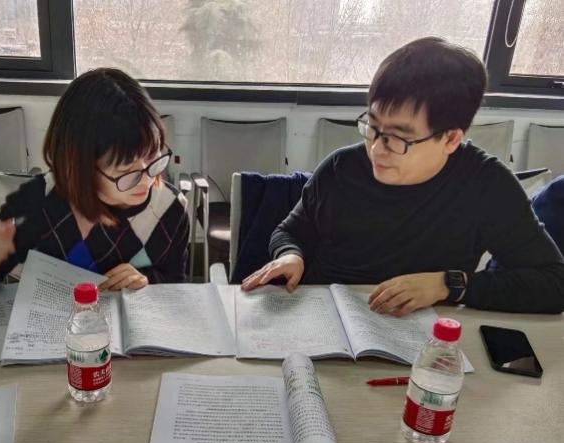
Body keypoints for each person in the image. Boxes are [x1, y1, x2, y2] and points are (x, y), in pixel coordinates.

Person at [242, 37, 564, 315]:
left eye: (398, 138)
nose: (376, 149)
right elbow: (290, 231)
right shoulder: (341, 169)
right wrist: (291, 256)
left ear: (451, 139)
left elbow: (553, 283)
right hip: (328, 316)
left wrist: (448, 285)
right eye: (372, 126)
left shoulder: (486, 185)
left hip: (421, 335)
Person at [0, 68, 189, 289]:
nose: (146, 180)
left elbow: (174, 281)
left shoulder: (170, 208)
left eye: (152, 156)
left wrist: (146, 279)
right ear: (81, 166)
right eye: (126, 171)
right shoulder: (40, 202)